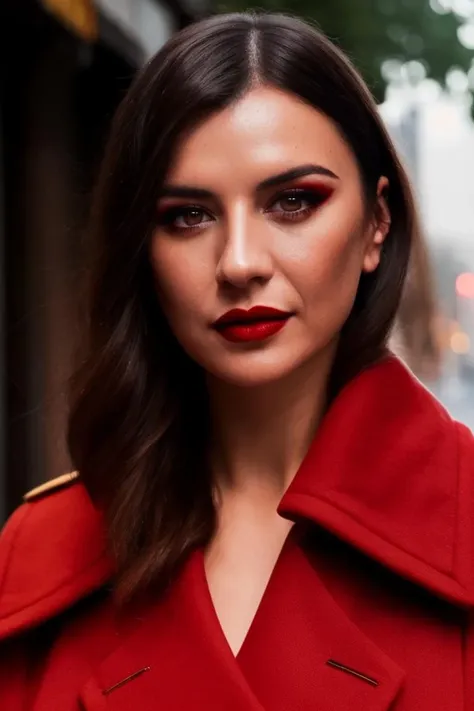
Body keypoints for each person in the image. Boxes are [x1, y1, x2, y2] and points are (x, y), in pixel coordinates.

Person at [0, 11, 473, 711]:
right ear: (142, 250)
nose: (240, 263)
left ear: (377, 223)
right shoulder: (39, 554)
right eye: (188, 216)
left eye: (292, 201)